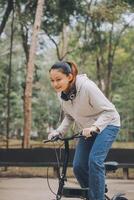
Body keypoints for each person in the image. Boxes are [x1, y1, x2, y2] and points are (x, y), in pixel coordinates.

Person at [48, 61, 120, 200]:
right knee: (78, 166)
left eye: (58, 79)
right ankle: (94, 194)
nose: (55, 84)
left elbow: (110, 111)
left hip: (108, 124)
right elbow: (70, 115)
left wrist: (95, 127)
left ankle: (97, 197)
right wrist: (59, 131)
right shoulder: (62, 94)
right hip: (88, 130)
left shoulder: (87, 87)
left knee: (94, 160)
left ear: (69, 77)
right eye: (52, 80)